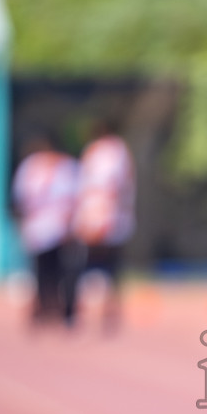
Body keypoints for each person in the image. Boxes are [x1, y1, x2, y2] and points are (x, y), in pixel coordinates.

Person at [71, 124, 135, 333]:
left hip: (102, 217)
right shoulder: (113, 151)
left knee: (97, 265)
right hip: (105, 216)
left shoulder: (104, 151)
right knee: (107, 267)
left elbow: (111, 187)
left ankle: (101, 310)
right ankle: (103, 310)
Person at [12, 133, 79, 326]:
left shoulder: (64, 168)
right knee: (45, 272)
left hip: (57, 228)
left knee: (59, 272)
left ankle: (62, 310)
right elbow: (22, 199)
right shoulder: (34, 167)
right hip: (44, 229)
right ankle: (47, 310)